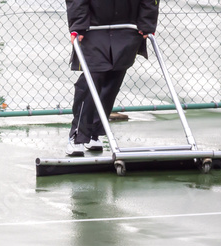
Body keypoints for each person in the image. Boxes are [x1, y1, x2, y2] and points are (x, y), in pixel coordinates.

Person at [65, 0, 159, 156]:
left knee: (113, 81)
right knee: (92, 79)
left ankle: (94, 132)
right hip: (93, 28)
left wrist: (146, 22)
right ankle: (78, 135)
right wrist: (78, 24)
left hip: (126, 28)